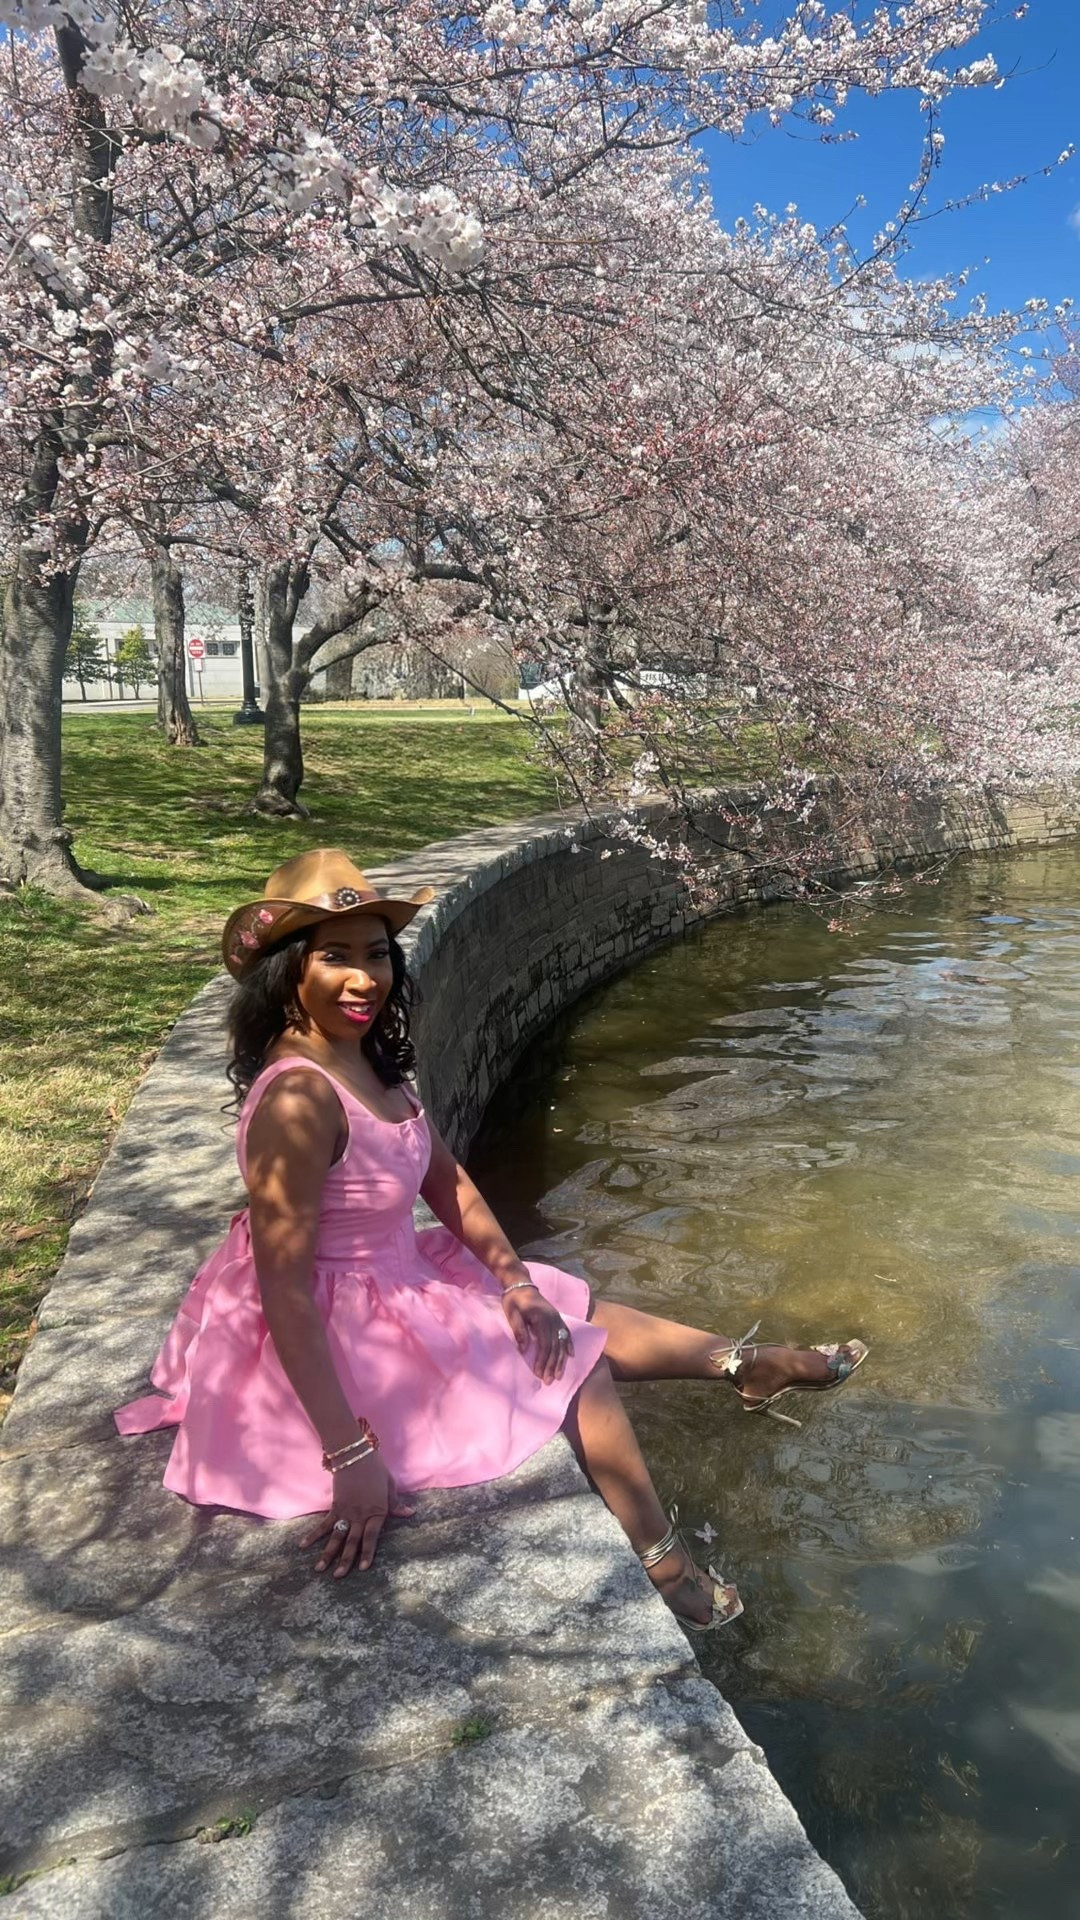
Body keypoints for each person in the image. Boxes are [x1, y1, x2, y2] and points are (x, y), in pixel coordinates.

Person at [116, 849, 869, 1632]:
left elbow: (449, 1183)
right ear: (287, 972)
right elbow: (284, 1288)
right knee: (573, 1367)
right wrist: (347, 1453)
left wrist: (513, 1282)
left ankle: (752, 1366)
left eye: (377, 955)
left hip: (392, 1274)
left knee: (563, 1304)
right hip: (334, 1322)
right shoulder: (300, 1099)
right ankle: (669, 1567)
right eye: (335, 957)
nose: (363, 979)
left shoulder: (367, 1062)